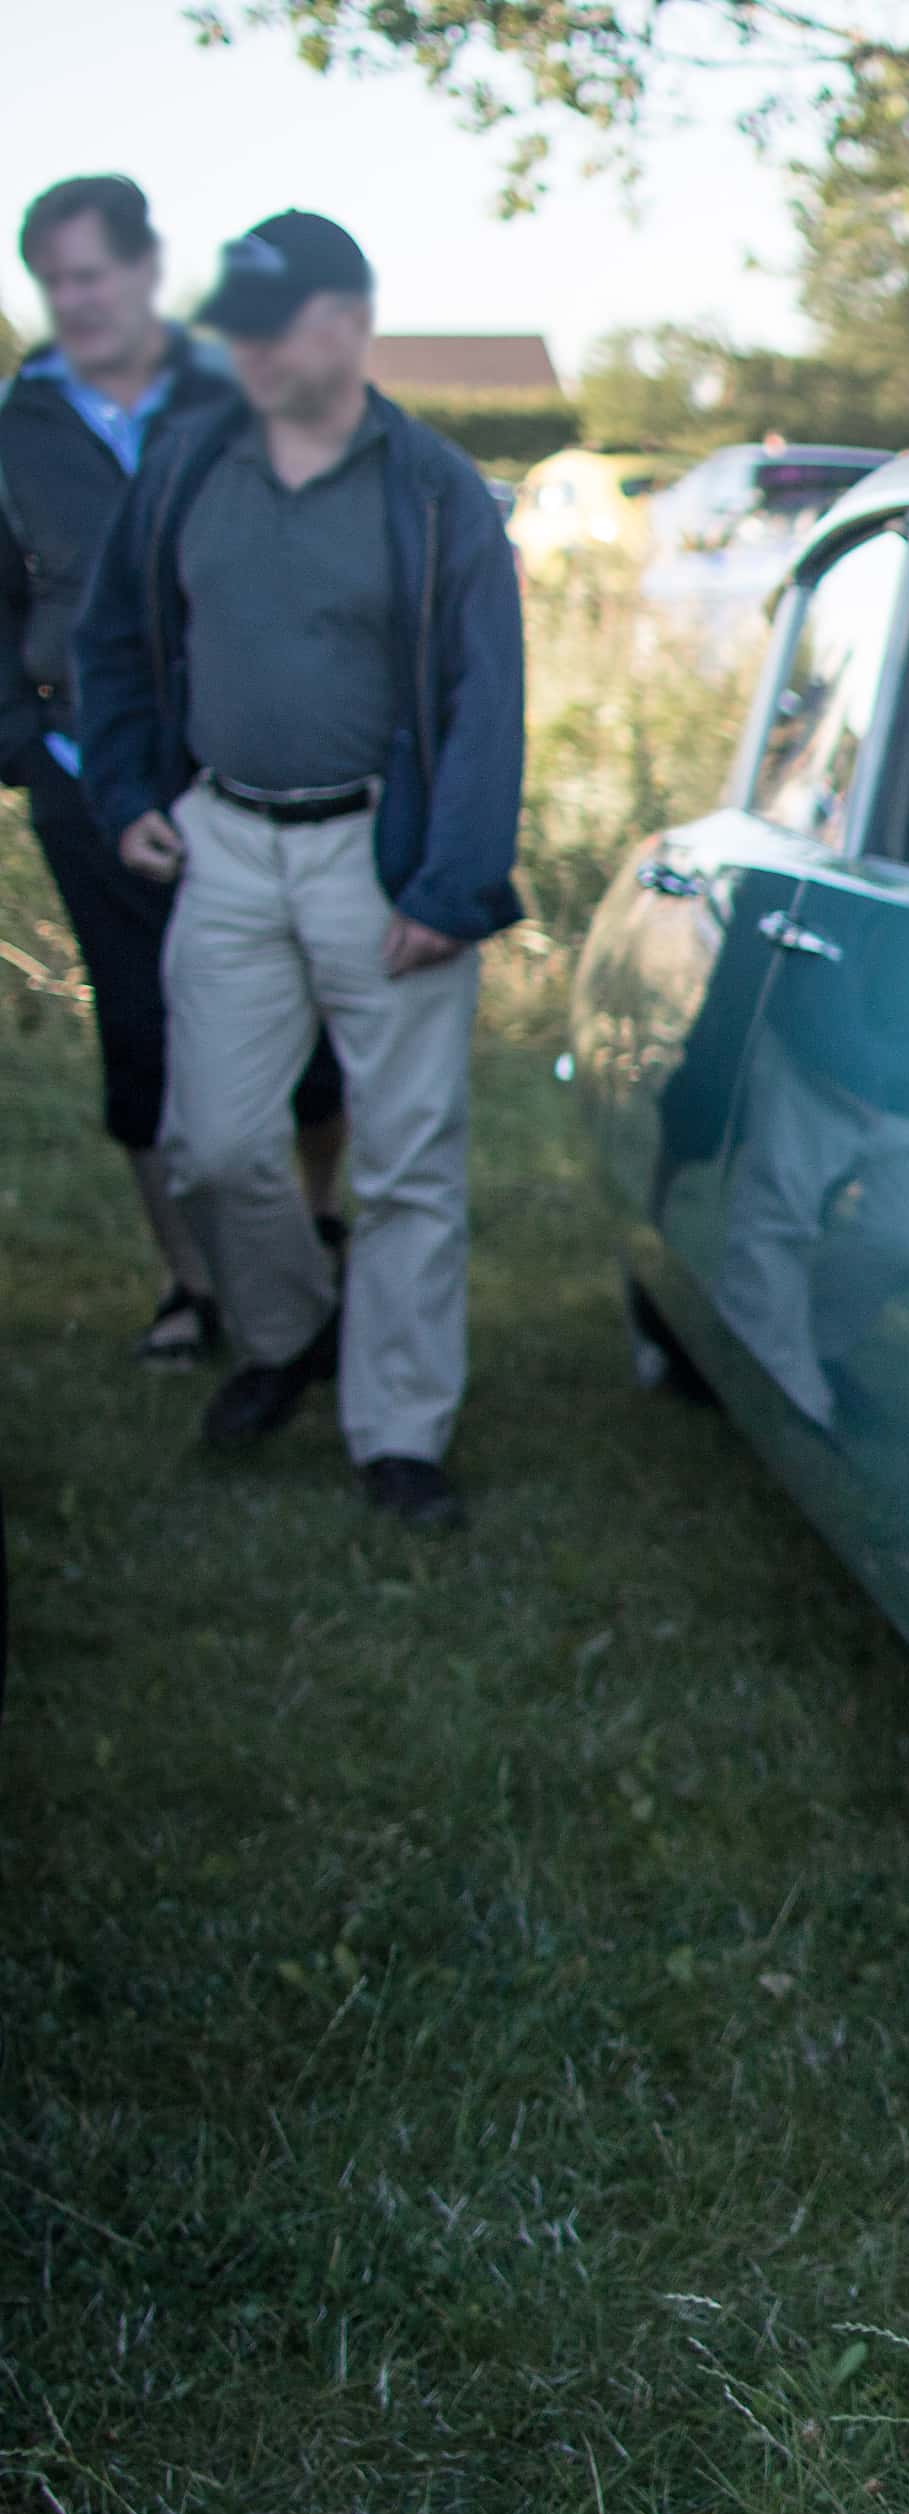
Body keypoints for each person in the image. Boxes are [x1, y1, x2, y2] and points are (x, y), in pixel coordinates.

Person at [73, 211, 523, 1532]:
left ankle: (399, 1432)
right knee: (211, 1146)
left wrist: (451, 885)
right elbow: (113, 637)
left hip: (377, 856)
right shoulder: (189, 459)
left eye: (274, 328)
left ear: (350, 321)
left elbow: (486, 698)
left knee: (406, 1165)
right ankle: (288, 1335)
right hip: (221, 839)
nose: (250, 353)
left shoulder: (432, 489)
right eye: (239, 330)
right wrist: (124, 793)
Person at [2, 175, 344, 1366]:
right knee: (142, 1034)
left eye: (92, 273)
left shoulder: (238, 395)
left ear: (149, 269)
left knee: (299, 1036)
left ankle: (310, 1240)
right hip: (86, 778)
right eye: (53, 281)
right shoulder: (18, 426)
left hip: (248, 779)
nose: (73, 301)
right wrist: (22, 746)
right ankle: (190, 1285)